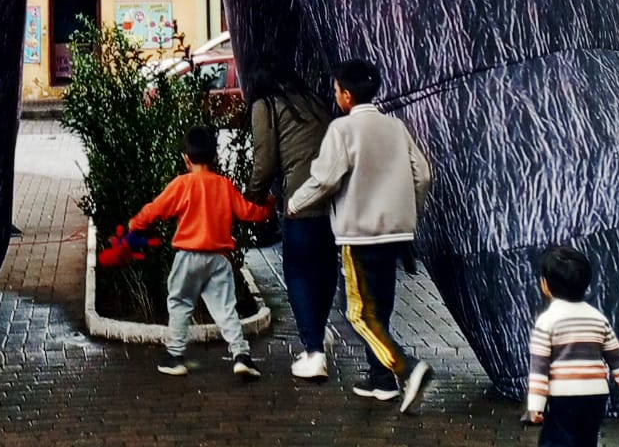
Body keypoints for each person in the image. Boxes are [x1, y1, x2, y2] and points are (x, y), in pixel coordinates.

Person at [286, 56, 433, 414]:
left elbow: (325, 178)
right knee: (380, 306)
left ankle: (407, 368)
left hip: (359, 234)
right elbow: (423, 175)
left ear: (347, 95)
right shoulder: (395, 127)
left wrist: (295, 203)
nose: (335, 96)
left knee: (355, 312)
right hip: (395, 233)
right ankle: (380, 380)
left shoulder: (342, 130)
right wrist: (407, 209)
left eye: (336, 90)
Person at [129, 124, 275, 380]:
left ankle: (175, 356)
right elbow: (247, 212)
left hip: (189, 255)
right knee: (226, 309)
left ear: (186, 158)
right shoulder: (224, 185)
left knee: (180, 302)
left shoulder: (182, 184)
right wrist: (268, 208)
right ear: (215, 158)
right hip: (219, 259)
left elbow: (156, 209)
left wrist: (136, 224)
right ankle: (241, 355)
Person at [244, 52, 337, 381]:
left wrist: (251, 197)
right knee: (326, 269)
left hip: (300, 202)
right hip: (332, 202)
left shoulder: (265, 106)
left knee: (297, 272)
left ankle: (313, 351)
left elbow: (264, 162)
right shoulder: (314, 101)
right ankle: (318, 332)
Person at [526, 245, 619, 445]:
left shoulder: (547, 321)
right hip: (596, 394)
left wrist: (535, 405)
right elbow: (617, 360)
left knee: (556, 440)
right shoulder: (598, 318)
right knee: (586, 440)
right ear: (586, 283)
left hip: (564, 395)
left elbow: (539, 368)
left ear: (545, 285)